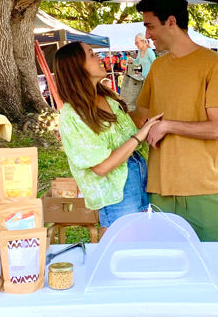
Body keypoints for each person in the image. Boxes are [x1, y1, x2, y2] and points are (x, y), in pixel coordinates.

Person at [133, 0, 218, 241]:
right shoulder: (157, 67)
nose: (147, 35)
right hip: (159, 188)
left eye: (150, 26)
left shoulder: (213, 63)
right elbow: (139, 120)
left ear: (171, 22)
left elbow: (216, 129)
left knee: (213, 268)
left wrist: (167, 126)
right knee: (165, 269)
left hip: (201, 187)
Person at [54, 41, 163, 227]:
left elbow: (130, 130)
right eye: (91, 54)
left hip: (139, 178)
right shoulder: (72, 115)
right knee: (123, 247)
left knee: (143, 242)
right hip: (117, 192)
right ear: (76, 66)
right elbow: (101, 167)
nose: (100, 58)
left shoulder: (108, 98)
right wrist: (140, 136)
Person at [119, 33, 158, 111]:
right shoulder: (140, 51)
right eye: (135, 43)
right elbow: (138, 63)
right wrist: (132, 60)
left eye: (137, 42)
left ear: (143, 41)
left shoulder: (149, 51)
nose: (136, 44)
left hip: (149, 79)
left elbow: (155, 63)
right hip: (142, 79)